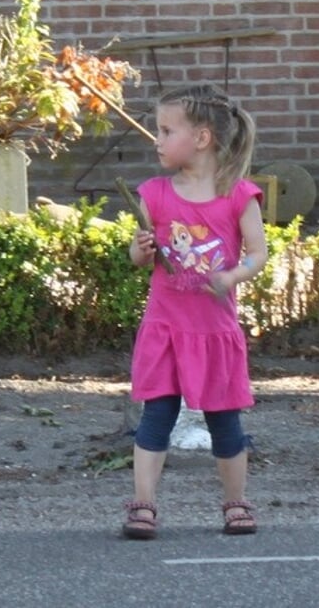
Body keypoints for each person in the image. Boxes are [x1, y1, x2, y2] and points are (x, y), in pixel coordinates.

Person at [120, 83, 268, 540]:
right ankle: (143, 504)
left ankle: (235, 502)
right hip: (166, 328)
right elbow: (137, 258)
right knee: (156, 418)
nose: (157, 140)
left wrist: (231, 277)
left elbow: (258, 255)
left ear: (201, 138)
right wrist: (141, 249)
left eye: (166, 130)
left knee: (226, 422)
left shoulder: (239, 196)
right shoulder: (155, 194)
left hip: (213, 331)